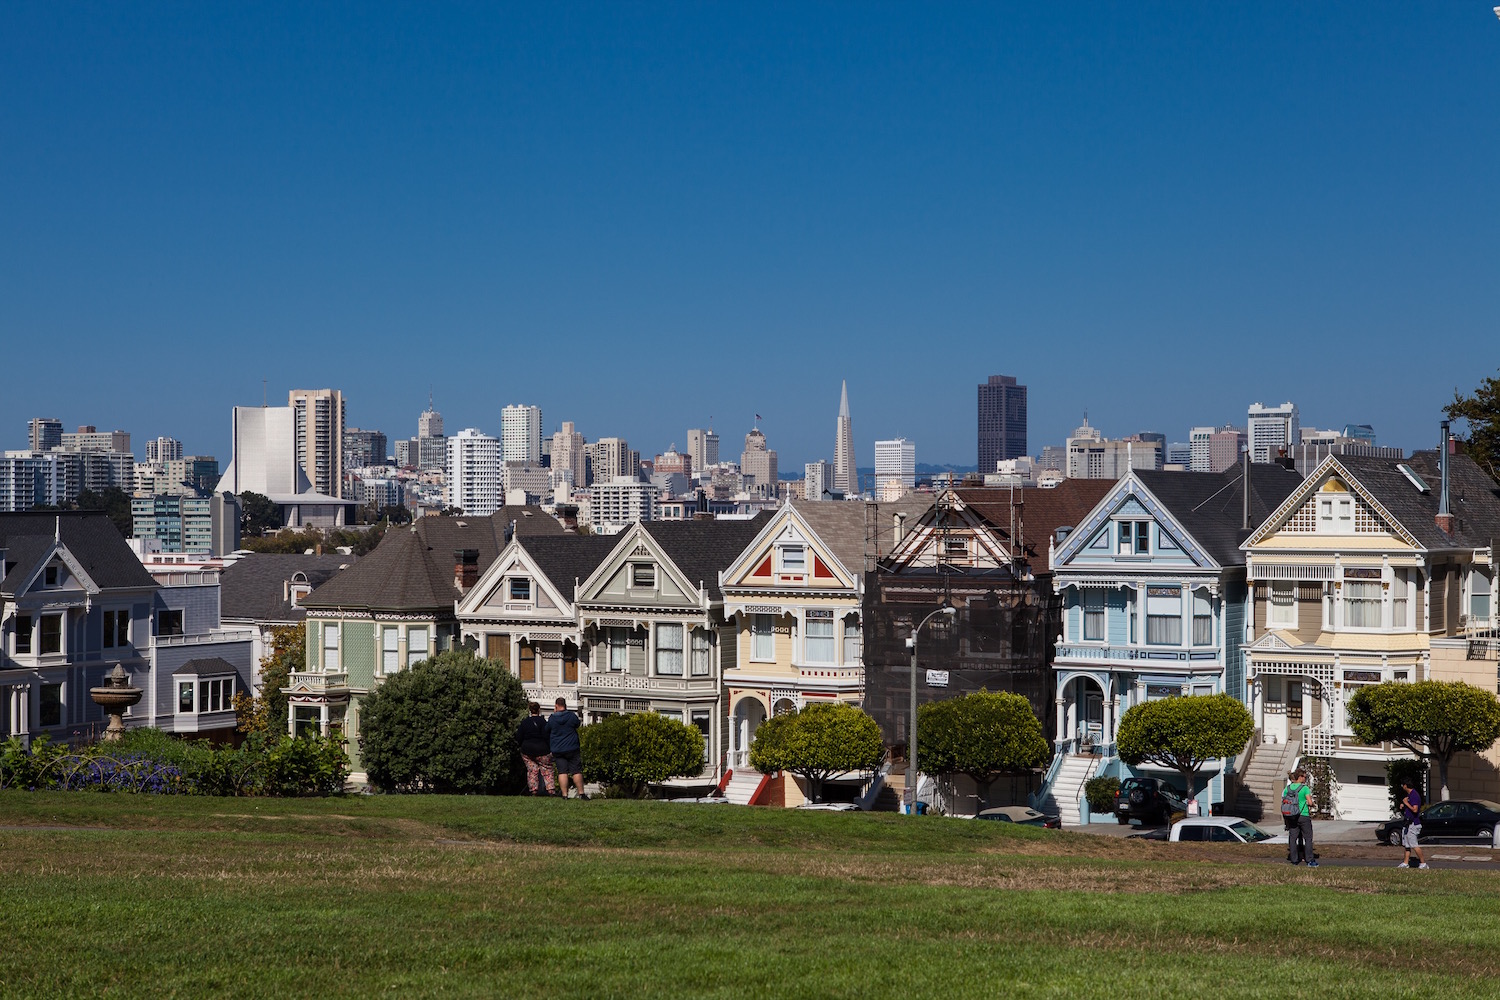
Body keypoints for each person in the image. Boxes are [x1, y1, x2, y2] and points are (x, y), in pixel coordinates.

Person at [548, 697, 586, 799]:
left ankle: (565, 795)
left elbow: (547, 729)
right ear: (565, 705)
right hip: (572, 747)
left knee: (562, 771)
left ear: (556, 706)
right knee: (576, 771)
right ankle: (581, 793)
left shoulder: (552, 718)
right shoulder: (571, 716)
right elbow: (578, 724)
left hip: (558, 749)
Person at [515, 701, 555, 796]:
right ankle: (551, 790)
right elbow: (547, 736)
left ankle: (533, 790)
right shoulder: (543, 722)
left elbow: (519, 737)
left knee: (532, 770)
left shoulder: (524, 722)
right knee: (547, 769)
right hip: (542, 750)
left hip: (527, 750)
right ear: (539, 710)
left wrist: (522, 745)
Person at [1282, 769, 1318, 867]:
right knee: (1308, 838)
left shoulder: (1287, 788)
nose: (1305, 779)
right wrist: (1312, 804)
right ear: (1300, 777)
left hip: (1291, 816)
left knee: (1293, 838)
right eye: (1304, 777)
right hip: (1303, 815)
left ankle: (1294, 860)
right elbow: (1310, 802)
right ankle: (1309, 859)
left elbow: (1284, 800)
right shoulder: (1304, 788)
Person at [1398, 779, 1429, 869]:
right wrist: (1404, 805)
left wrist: (1406, 803)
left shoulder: (1414, 795)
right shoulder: (1410, 795)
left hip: (1413, 824)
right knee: (1407, 845)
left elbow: (1415, 810)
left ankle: (1423, 864)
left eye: (1402, 785)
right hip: (1407, 824)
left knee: (1414, 845)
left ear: (1405, 786)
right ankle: (1405, 863)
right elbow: (1410, 807)